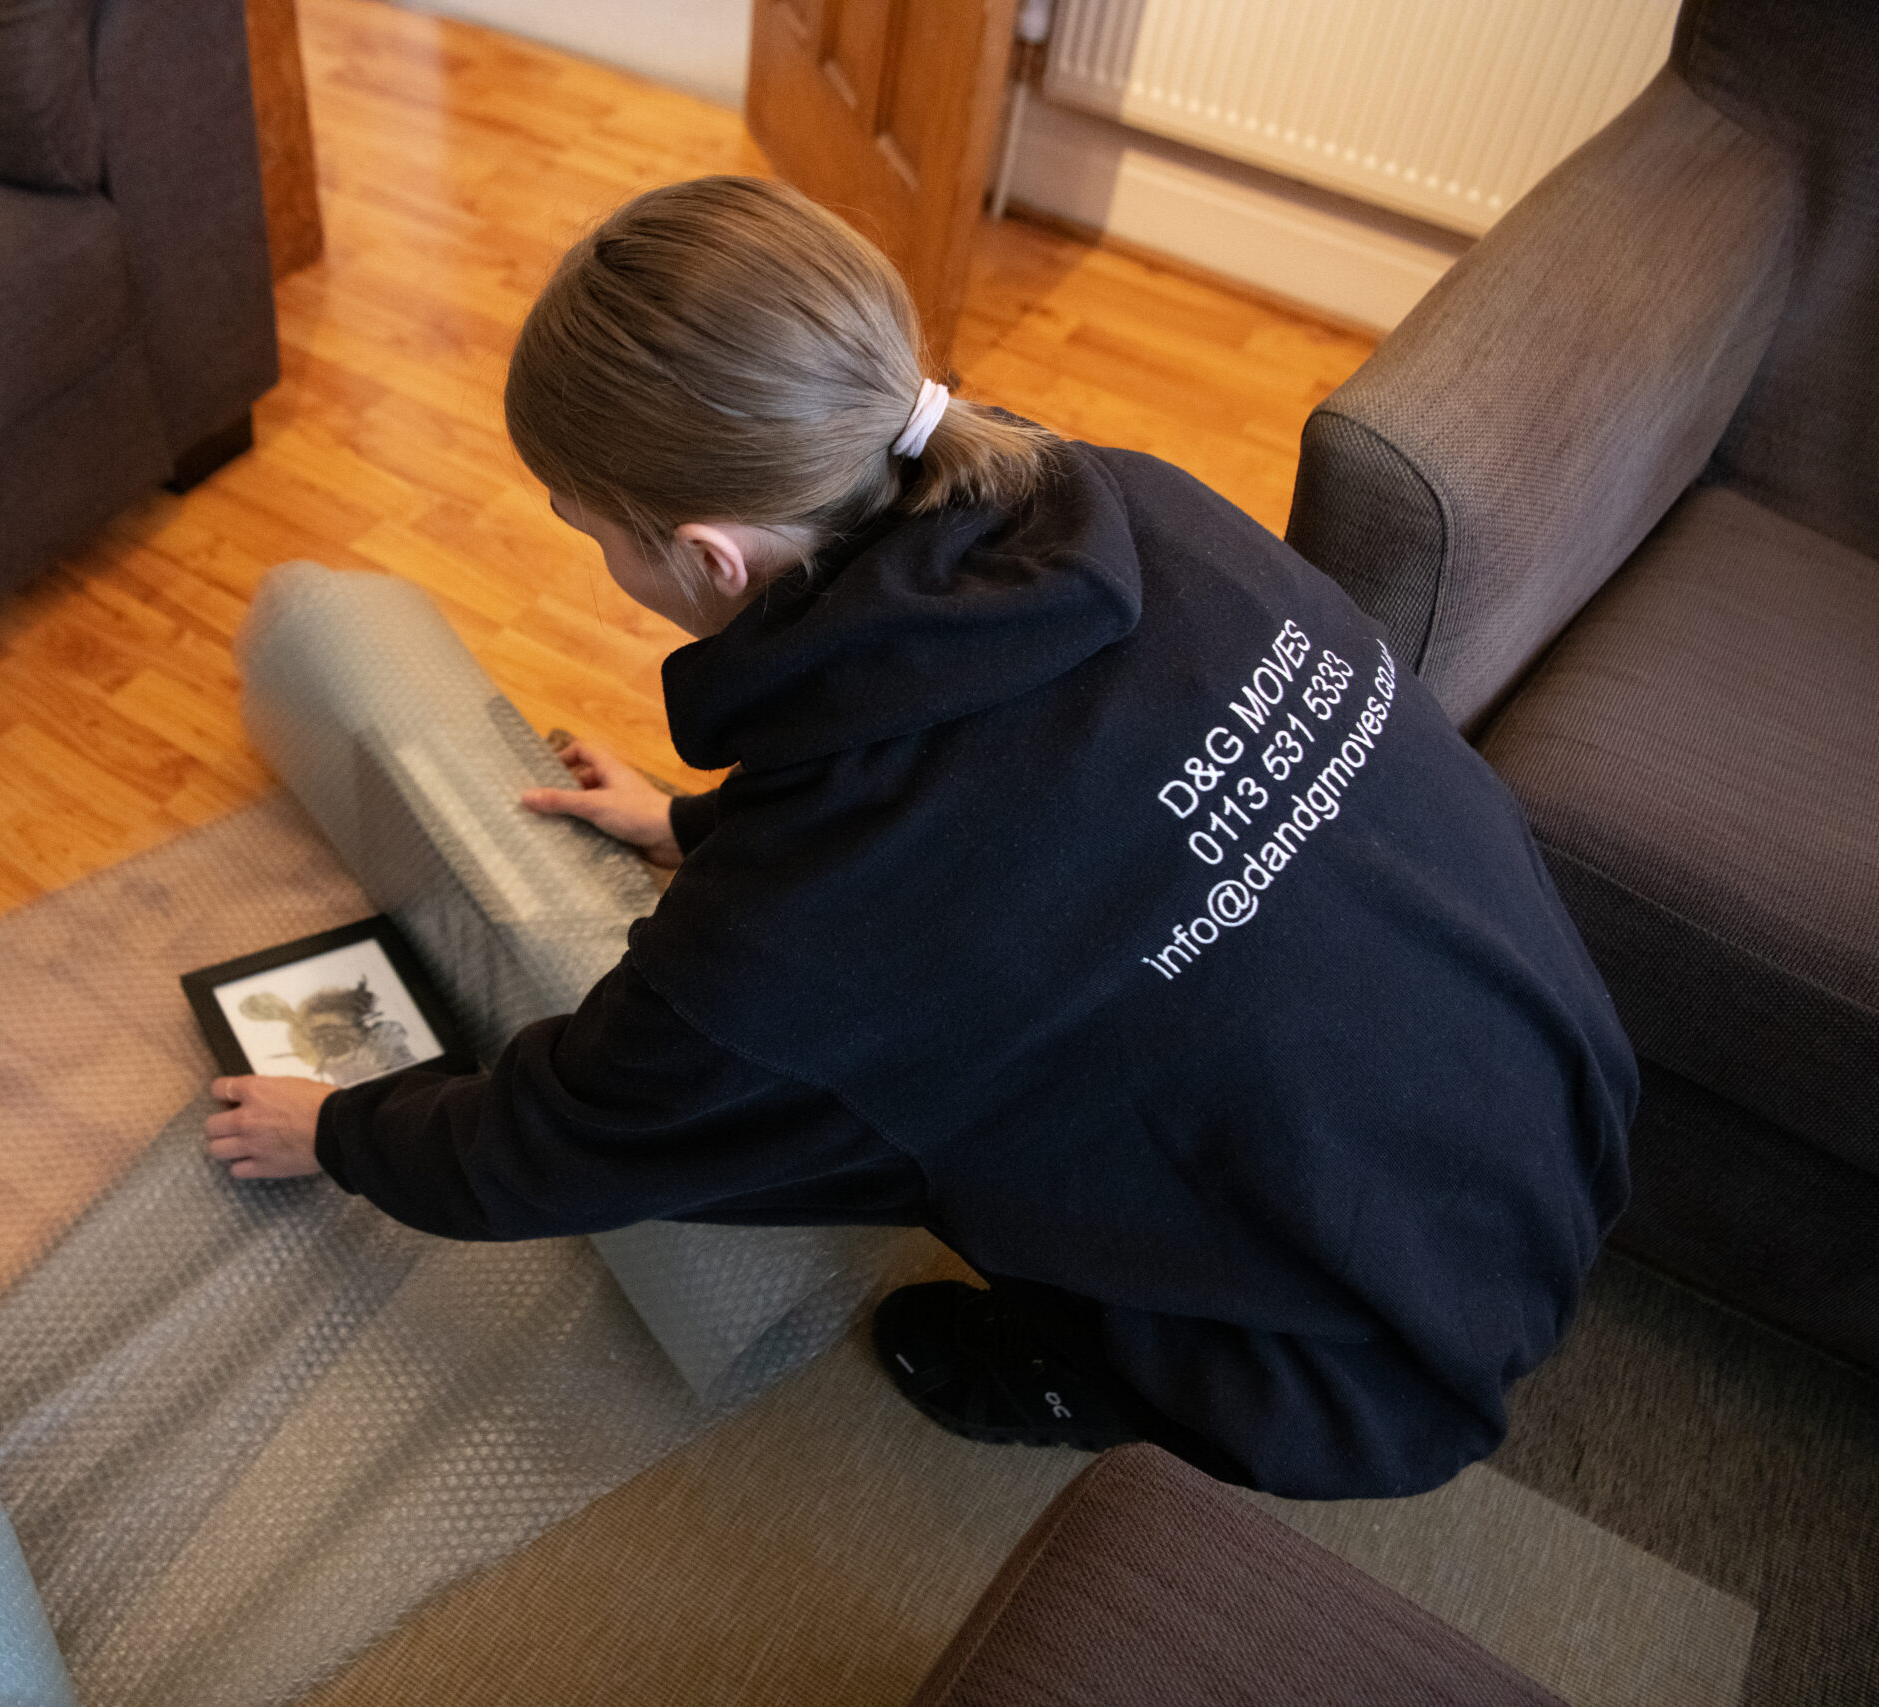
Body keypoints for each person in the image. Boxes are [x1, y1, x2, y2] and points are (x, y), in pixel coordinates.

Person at [204, 175, 1634, 1500]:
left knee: (902, 1126)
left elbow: (562, 1139)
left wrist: (339, 1130)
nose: (602, 559)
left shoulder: (807, 916)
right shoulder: (1132, 501)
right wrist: (701, 827)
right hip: (1559, 1090)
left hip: (1357, 1368)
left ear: (708, 556)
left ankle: (1088, 1372)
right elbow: (1016, 808)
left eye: (595, 534)